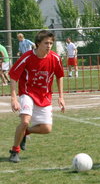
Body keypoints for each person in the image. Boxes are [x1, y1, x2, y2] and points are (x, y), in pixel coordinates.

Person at [8, 30, 65, 163]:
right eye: (46, 43)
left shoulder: (55, 58)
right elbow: (13, 75)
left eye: (51, 43)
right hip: (27, 93)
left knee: (46, 129)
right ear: (38, 44)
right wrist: (14, 98)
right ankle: (15, 151)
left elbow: (60, 76)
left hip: (44, 96)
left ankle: (25, 133)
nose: (49, 46)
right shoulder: (27, 57)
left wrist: (61, 97)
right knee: (25, 121)